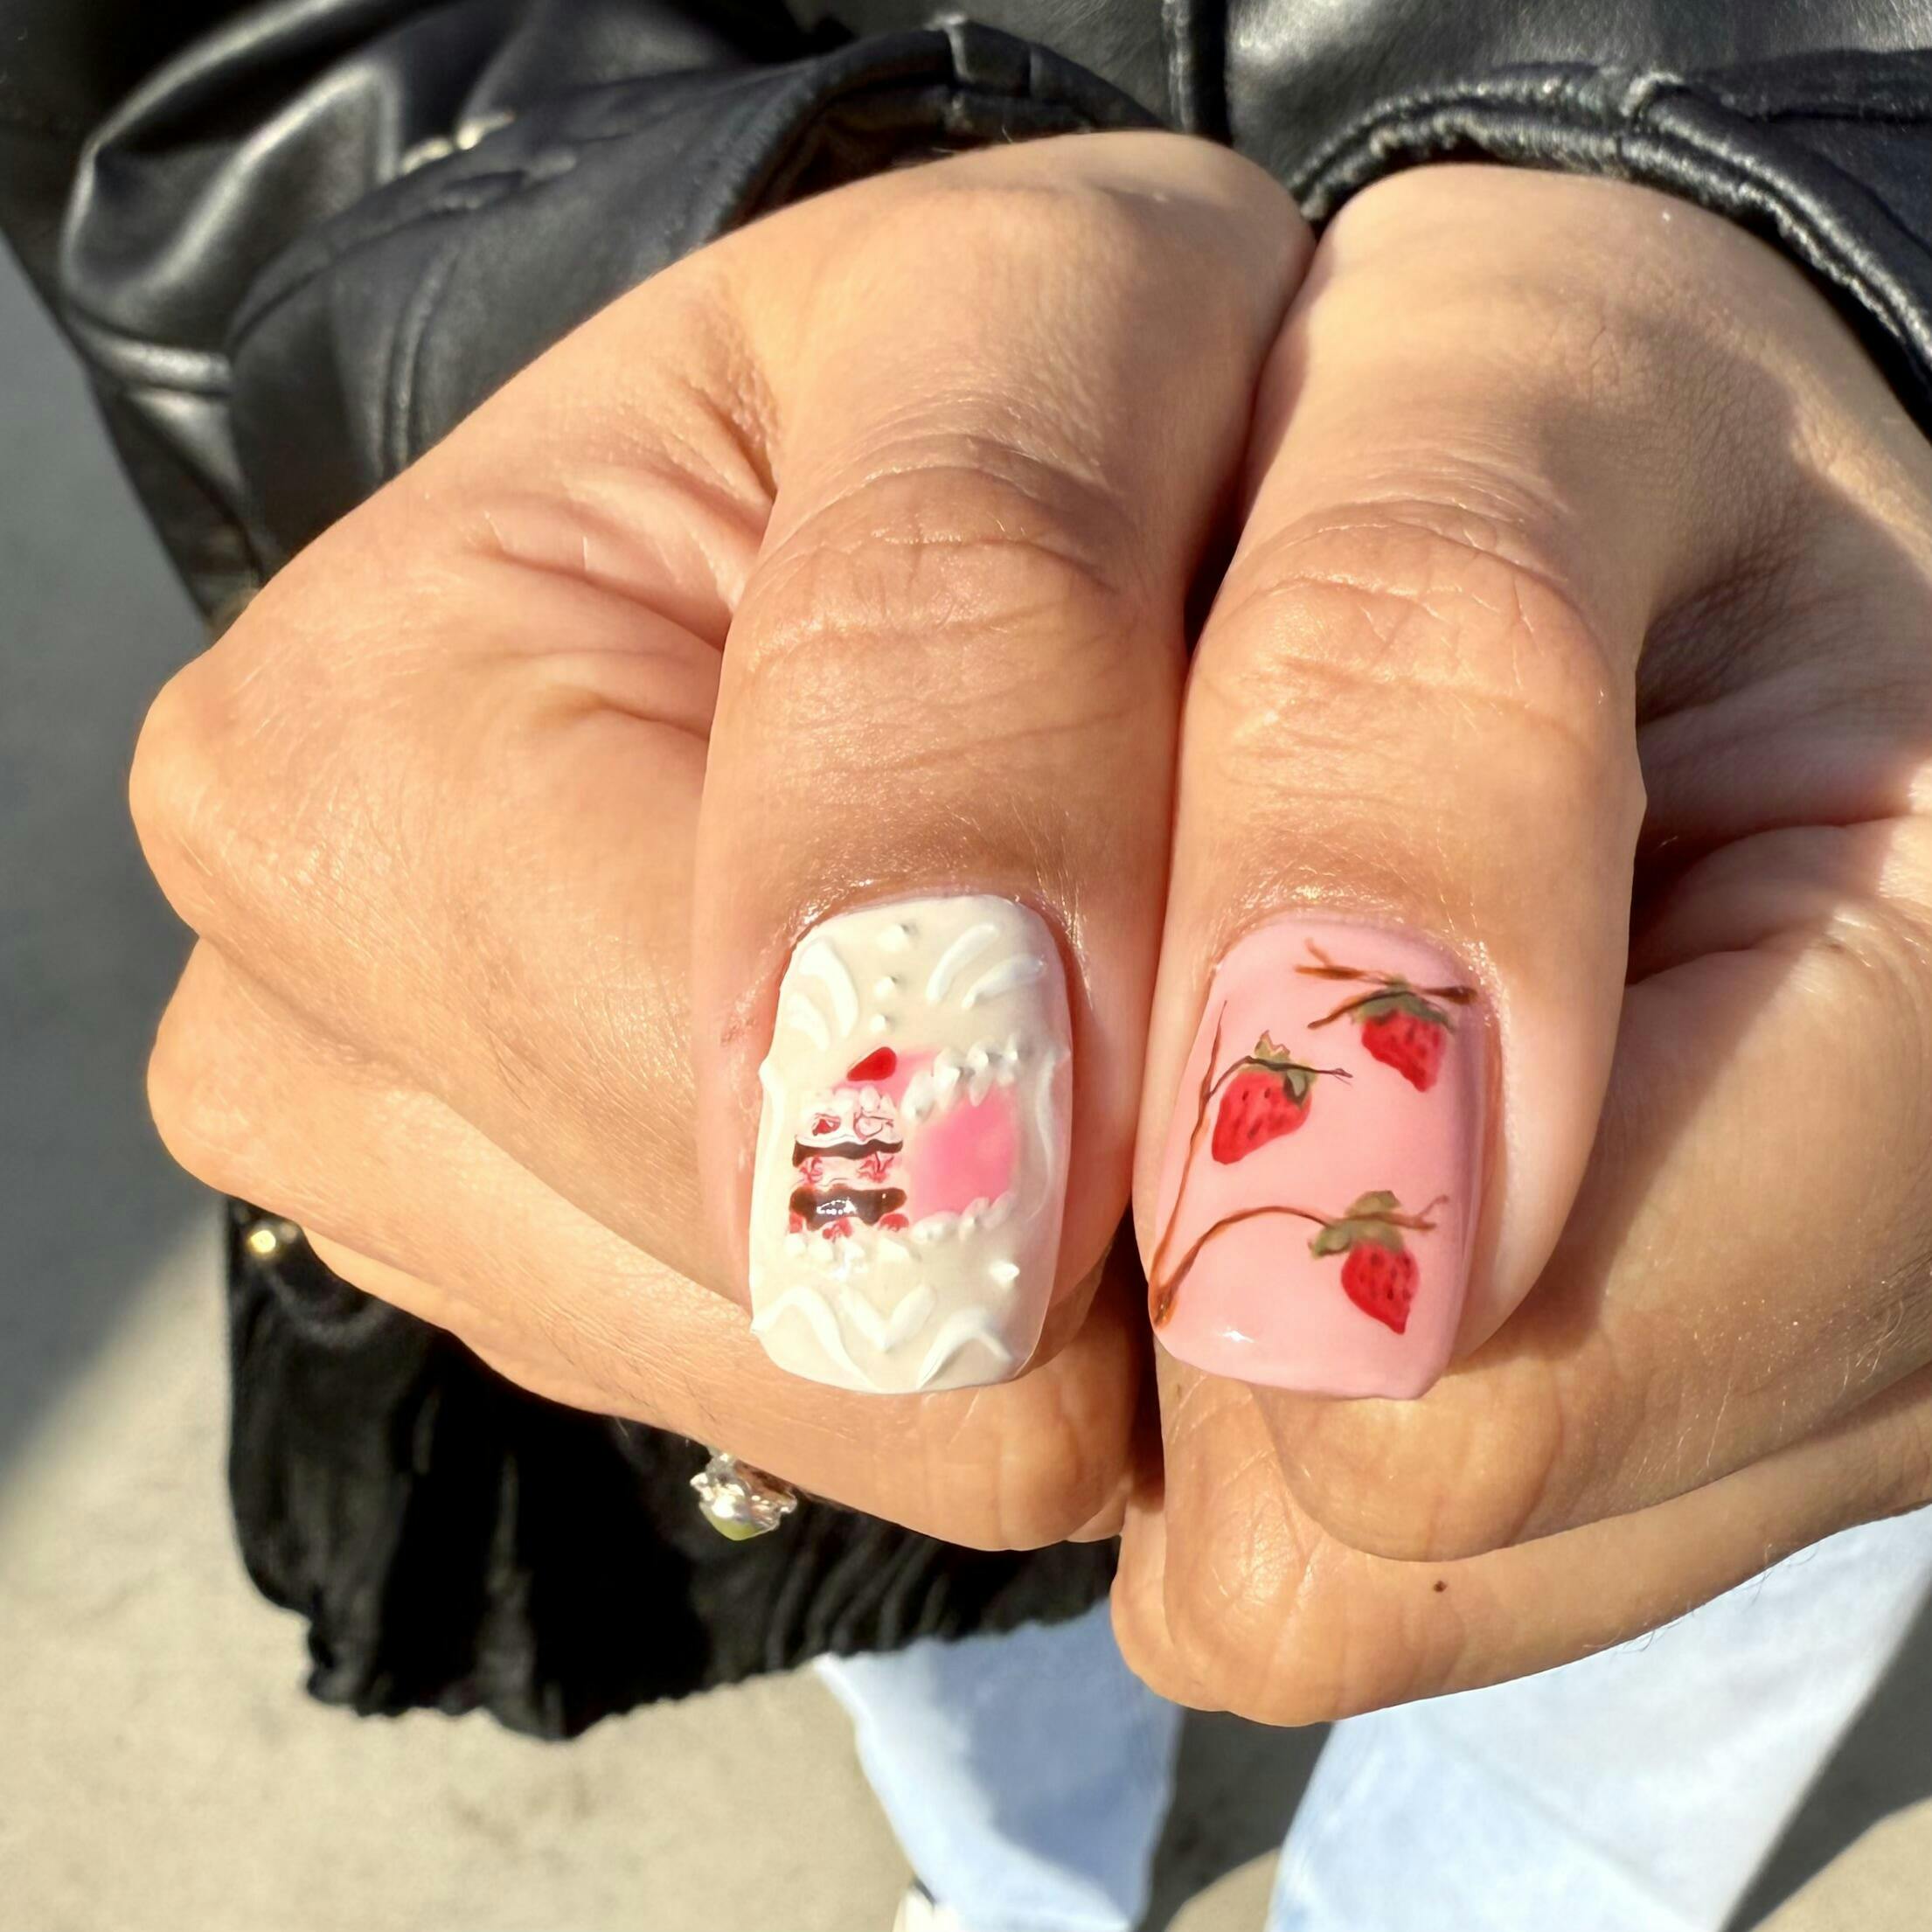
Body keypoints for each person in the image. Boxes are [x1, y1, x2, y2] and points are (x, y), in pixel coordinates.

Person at [6, 2, 1931, 1925]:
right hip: (724, 734)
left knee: (1619, 1674)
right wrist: (638, 311)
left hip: (1787, 924)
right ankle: (1009, 1890)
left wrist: (1867, 288)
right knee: (935, 1534)